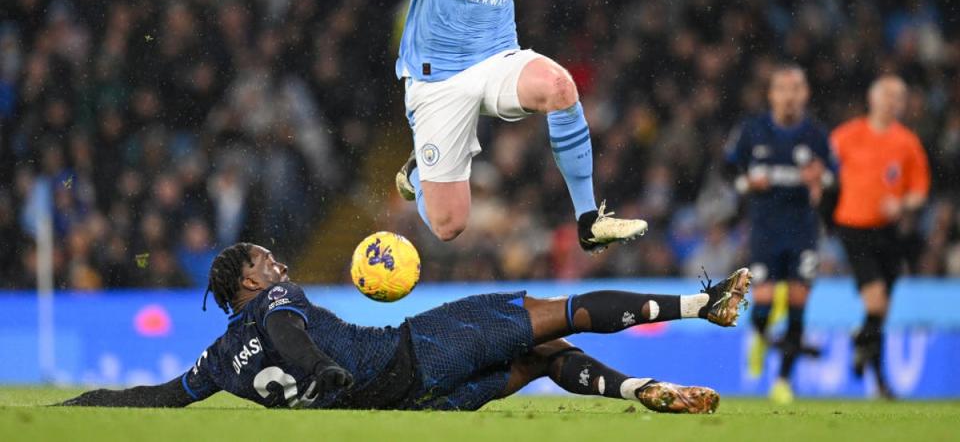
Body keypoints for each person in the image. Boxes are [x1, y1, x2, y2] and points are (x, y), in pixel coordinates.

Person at [61, 243, 752, 413]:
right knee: (557, 312)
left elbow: (153, 397)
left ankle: (643, 389)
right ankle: (706, 306)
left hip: (416, 403)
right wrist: (321, 367)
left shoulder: (216, 361)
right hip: (418, 348)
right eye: (264, 258)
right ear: (248, 280)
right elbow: (292, 340)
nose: (277, 262)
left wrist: (75, 407)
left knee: (545, 356)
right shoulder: (277, 299)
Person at [393, 0, 647, 251]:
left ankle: (588, 220)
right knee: (449, 226)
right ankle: (418, 173)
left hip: (496, 56)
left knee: (561, 87)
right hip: (438, 75)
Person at [723, 65, 834, 404]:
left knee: (800, 302)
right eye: (783, 88)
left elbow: (831, 177)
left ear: (806, 93)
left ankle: (783, 381)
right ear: (771, 94)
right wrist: (746, 184)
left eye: (796, 87)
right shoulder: (752, 130)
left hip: (802, 230)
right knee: (764, 305)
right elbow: (728, 171)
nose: (790, 94)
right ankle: (761, 337)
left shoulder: (816, 134)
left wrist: (822, 180)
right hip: (766, 230)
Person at [830, 75, 930, 399]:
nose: (893, 101)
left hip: (889, 233)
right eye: (887, 95)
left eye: (899, 96)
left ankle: (875, 372)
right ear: (872, 99)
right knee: (877, 300)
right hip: (853, 228)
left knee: (880, 312)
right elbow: (823, 171)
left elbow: (919, 192)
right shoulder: (846, 136)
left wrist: (901, 204)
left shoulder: (907, 143)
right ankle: (862, 343)